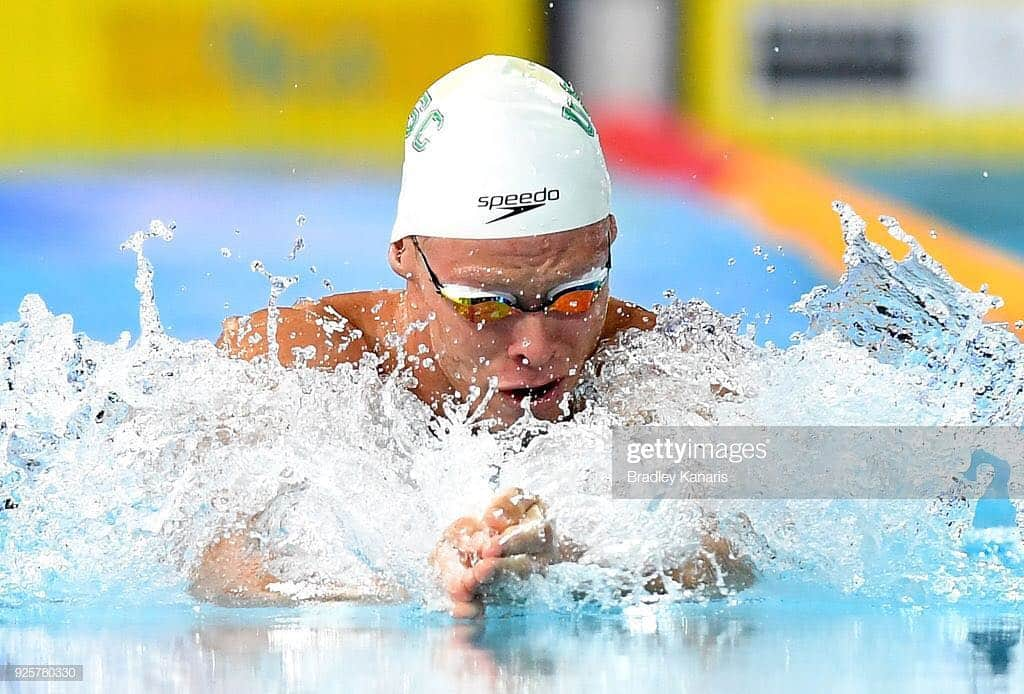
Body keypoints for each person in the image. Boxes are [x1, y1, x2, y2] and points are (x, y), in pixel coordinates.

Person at [192, 55, 753, 617]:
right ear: (405, 255)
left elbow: (738, 553)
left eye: (575, 295)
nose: (535, 346)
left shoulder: (654, 364)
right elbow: (224, 573)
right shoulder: (303, 362)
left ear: (608, 239)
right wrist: (419, 586)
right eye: (485, 304)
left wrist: (578, 565)